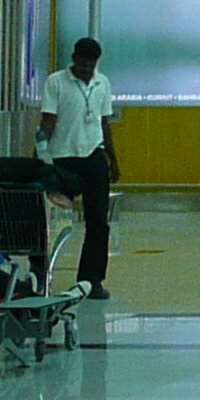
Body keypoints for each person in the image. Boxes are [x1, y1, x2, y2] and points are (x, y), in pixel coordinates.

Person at [40, 36, 121, 299]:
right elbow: (48, 122)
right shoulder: (56, 82)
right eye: (84, 64)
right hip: (63, 159)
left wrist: (112, 157)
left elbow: (104, 123)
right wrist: (39, 156)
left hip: (93, 156)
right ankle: (41, 275)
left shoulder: (102, 82)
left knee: (98, 222)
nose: (88, 69)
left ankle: (92, 280)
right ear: (73, 59)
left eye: (92, 65)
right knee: (52, 221)